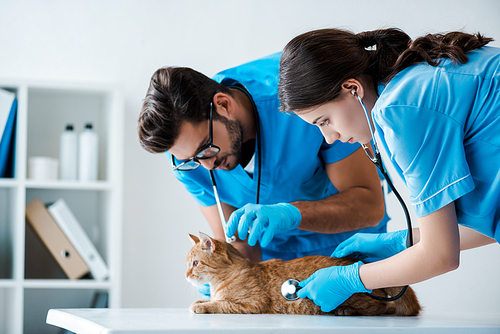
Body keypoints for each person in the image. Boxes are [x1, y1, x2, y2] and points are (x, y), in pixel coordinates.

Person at [278, 27, 499, 312]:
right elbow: (490, 223)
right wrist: (401, 241)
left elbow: (441, 255)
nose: (329, 138)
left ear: (353, 88)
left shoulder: (399, 110)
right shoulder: (417, 81)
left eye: (324, 121)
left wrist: (351, 279)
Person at [138, 52, 390, 268]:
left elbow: (369, 205)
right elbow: (238, 247)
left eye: (206, 148)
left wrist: (293, 213)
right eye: (191, 159)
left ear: (223, 104)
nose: (206, 165)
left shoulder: (302, 98)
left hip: (347, 252)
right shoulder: (187, 160)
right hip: (271, 267)